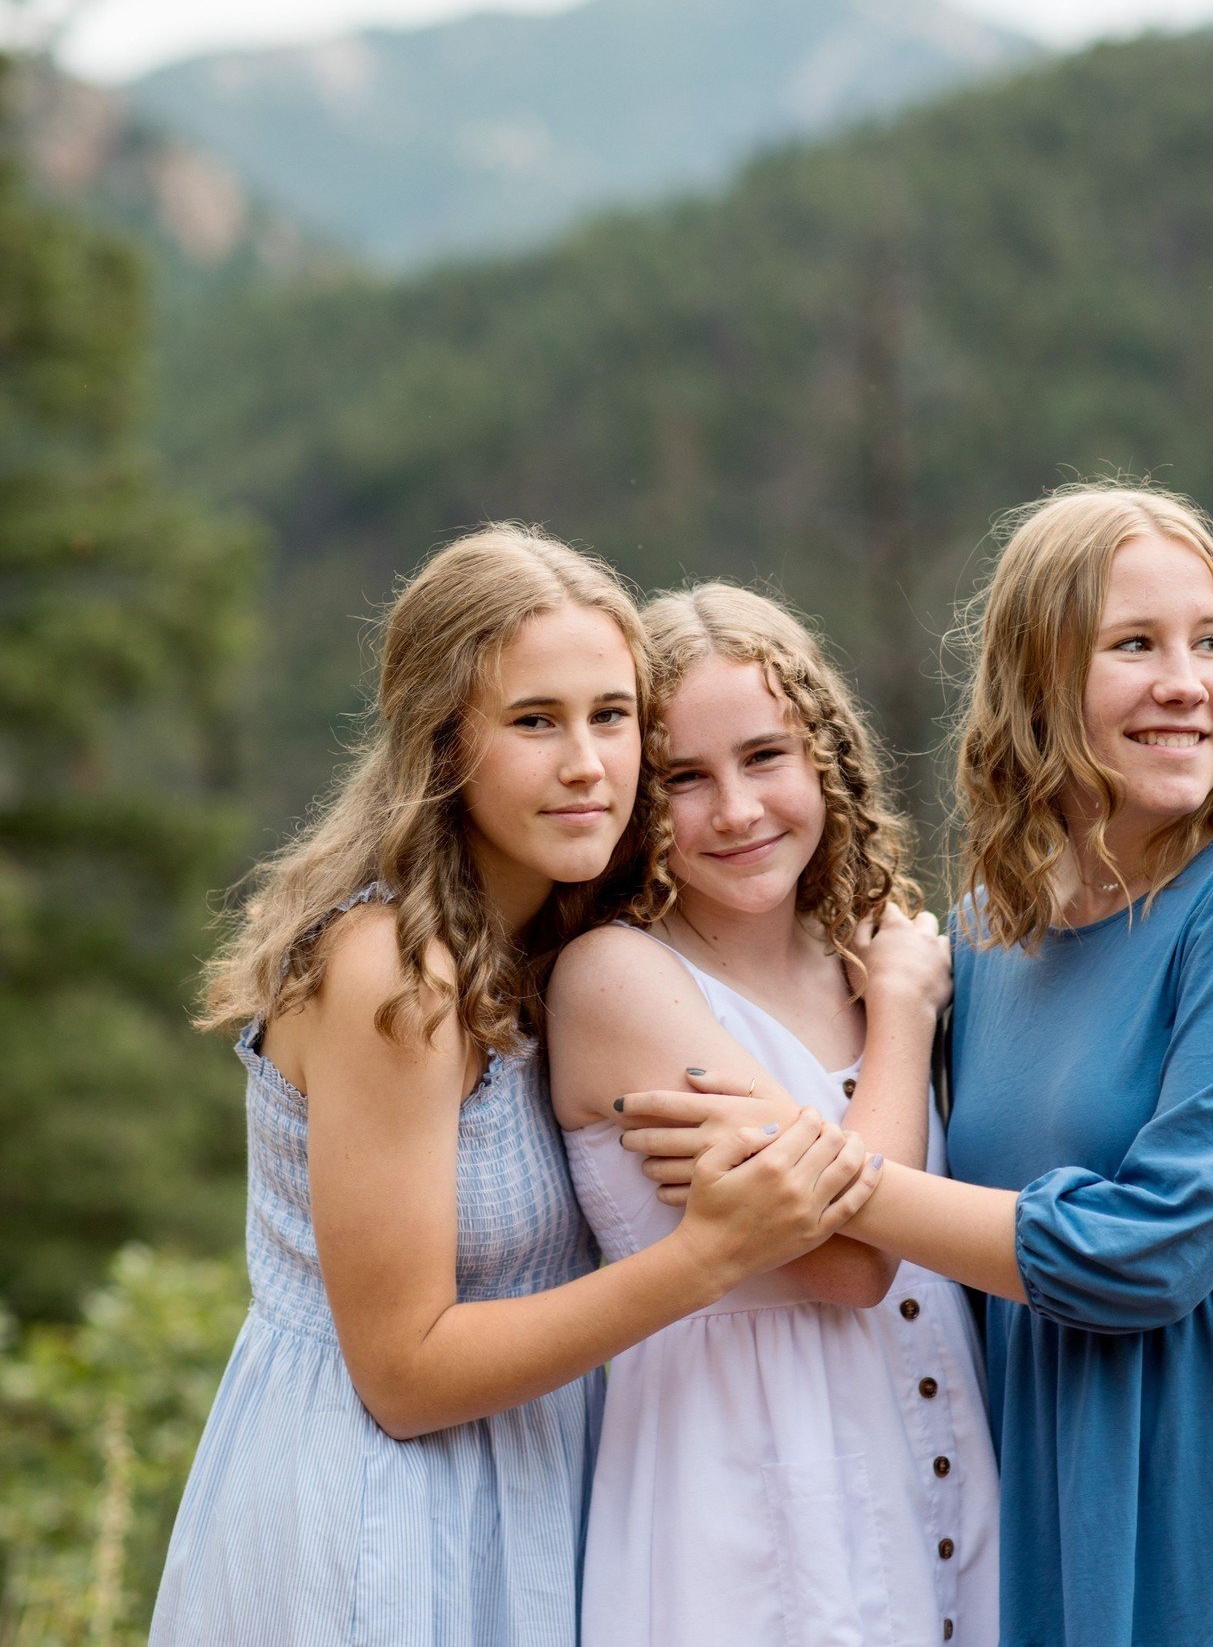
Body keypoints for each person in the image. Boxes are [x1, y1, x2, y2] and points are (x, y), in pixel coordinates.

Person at [618, 487, 1213, 1646]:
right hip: (1048, 1495)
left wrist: (814, 1172)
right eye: (1134, 645)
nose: (1185, 681)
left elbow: (1149, 1252)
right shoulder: (988, 939)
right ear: (1038, 679)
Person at [150, 527, 880, 1647]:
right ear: (444, 744)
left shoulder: (561, 934)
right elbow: (404, 1373)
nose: (588, 761)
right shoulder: (397, 968)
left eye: (612, 715)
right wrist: (706, 1256)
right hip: (379, 1517)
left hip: (534, 1498)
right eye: (535, 721)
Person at [548, 582, 1000, 1647]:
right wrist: (899, 1013)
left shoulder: (863, 951)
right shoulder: (618, 979)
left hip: (934, 1480)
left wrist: (883, 989)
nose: (739, 811)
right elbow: (849, 1261)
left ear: (825, 761)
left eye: (764, 757)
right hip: (750, 1514)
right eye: (683, 780)